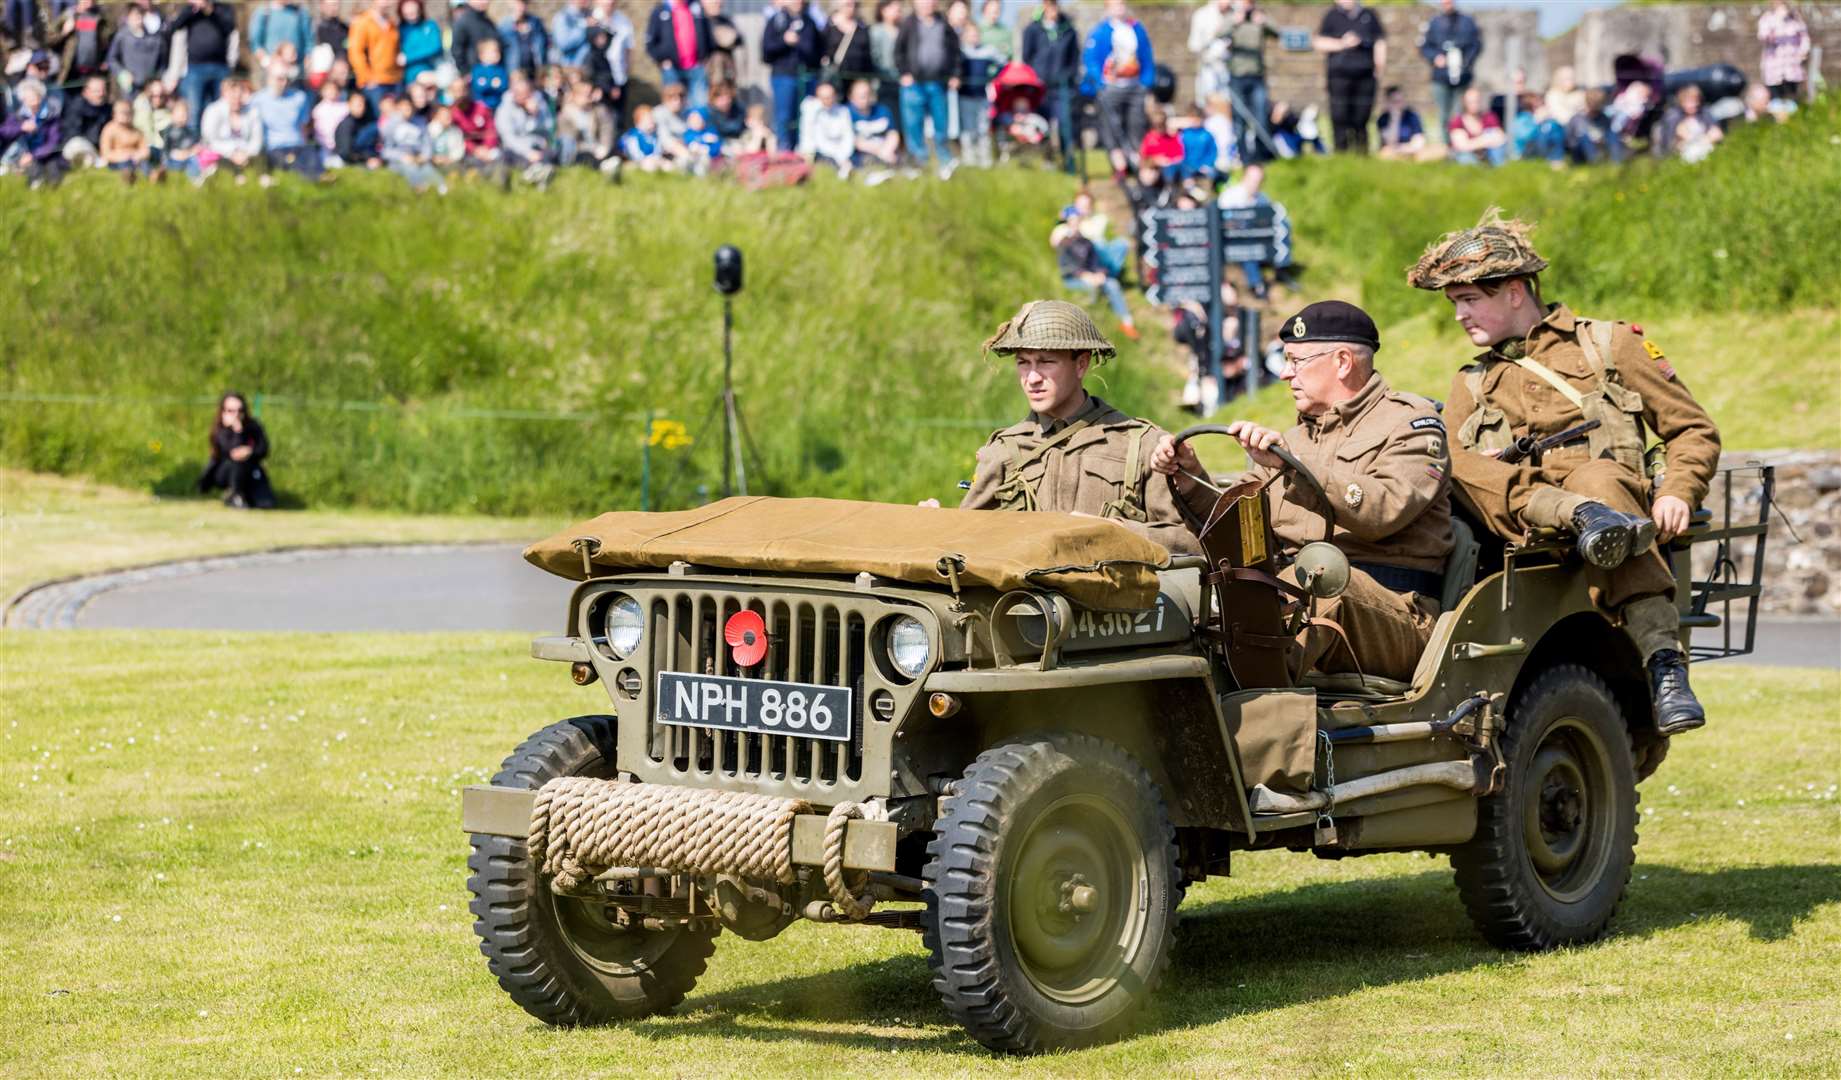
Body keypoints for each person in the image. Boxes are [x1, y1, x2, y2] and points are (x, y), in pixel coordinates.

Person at [1407, 211, 1719, 734]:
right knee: (1443, 454)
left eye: (1469, 300)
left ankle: (1665, 665)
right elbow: (1454, 473)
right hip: (1518, 526)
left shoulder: (1607, 344)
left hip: (1612, 512)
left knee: (1597, 482)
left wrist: (1678, 491)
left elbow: (1692, 428)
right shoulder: (1472, 382)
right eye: (1455, 303)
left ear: (1513, 291)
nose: (1460, 316)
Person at [1153, 301, 1453, 682]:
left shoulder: (1411, 424)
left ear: (1342, 361)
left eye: (1296, 361)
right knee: (1188, 586)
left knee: (1320, 589)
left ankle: (1254, 714)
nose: (1284, 373)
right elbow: (1240, 532)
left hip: (1397, 613)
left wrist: (1294, 465)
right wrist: (1190, 475)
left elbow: (1383, 510)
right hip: (1295, 593)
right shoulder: (1295, 440)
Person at [940, 299, 1198, 556]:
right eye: (1023, 363)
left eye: (1046, 362)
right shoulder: (1003, 452)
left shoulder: (1141, 446)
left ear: (1081, 364)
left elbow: (1195, 543)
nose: (1032, 378)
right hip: (1022, 596)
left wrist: (1119, 531)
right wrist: (934, 523)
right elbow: (965, 545)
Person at [1083, 0, 1153, 179]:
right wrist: (1100, 82)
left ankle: (1137, 163)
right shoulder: (1100, 32)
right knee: (1111, 126)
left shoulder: (1136, 29)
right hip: (1111, 87)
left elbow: (1146, 55)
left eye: (1121, 4)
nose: (1119, 8)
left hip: (1134, 85)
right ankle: (1119, 166)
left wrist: (1146, 82)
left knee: (1136, 125)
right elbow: (1091, 59)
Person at [1312, 0, 1384, 155]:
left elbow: (1380, 41)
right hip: (1339, 77)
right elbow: (1318, 42)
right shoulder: (1331, 16)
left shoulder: (1369, 15)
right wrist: (1343, 43)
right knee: (1339, 116)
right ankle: (1341, 155)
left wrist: (1379, 66)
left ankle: (1362, 155)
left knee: (1362, 117)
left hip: (1365, 77)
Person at [895, 0, 957, 175]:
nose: (927, 3)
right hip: (914, 84)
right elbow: (898, 51)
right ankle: (918, 162)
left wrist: (955, 74)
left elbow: (955, 51)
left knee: (941, 124)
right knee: (913, 124)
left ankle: (945, 162)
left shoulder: (943, 23)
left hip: (938, 83)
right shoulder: (908, 23)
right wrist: (904, 72)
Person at [1020, 0, 1079, 175]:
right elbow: (1027, 57)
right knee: (1040, 127)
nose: (1052, 9)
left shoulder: (1068, 30)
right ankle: (1045, 162)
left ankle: (1068, 163)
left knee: (1064, 125)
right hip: (1039, 89)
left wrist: (1068, 77)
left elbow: (1074, 58)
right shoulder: (1032, 29)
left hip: (1061, 88)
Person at [1054, 222, 1138, 342]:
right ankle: (1091, 323)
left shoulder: (1088, 243)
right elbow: (1068, 267)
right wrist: (1085, 276)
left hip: (1094, 277)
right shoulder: (1064, 245)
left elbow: (1097, 262)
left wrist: (1100, 274)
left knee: (1112, 284)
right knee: (1092, 288)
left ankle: (1127, 323)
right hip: (1074, 280)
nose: (1075, 228)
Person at [170, 0, 239, 135]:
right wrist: (192, 10)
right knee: (194, 111)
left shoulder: (223, 8)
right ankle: (193, 145)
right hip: (195, 68)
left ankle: (219, 146)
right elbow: (175, 26)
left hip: (221, 68)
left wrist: (210, 10)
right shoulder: (190, 10)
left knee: (222, 109)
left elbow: (230, 26)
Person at [197, 393, 276, 509]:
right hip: (223, 472)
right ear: (223, 412)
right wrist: (238, 430)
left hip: (250, 471)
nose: (236, 414)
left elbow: (264, 449)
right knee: (237, 463)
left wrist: (250, 451)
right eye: (231, 411)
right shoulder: (220, 430)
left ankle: (244, 495)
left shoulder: (253, 426)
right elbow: (232, 453)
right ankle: (234, 494)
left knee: (266, 504)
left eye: (240, 410)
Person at [1417, 0, 1477, 143]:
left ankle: (1459, 145)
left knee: (1458, 113)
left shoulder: (1467, 22)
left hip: (1462, 76)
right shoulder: (1434, 22)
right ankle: (1446, 146)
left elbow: (1476, 45)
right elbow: (1425, 46)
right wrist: (1435, 57)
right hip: (1441, 77)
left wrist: (1465, 61)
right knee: (1443, 115)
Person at [764, 0, 821, 153]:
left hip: (807, 77)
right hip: (784, 77)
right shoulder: (776, 21)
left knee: (807, 117)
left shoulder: (810, 23)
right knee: (784, 118)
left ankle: (804, 152)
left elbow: (816, 53)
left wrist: (799, 43)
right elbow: (766, 52)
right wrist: (784, 41)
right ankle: (784, 152)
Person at [252, 59, 319, 177]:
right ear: (269, 78)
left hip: (298, 145)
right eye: (280, 79)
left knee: (312, 157)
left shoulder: (299, 97)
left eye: (287, 79)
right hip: (274, 147)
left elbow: (304, 125)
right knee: (293, 165)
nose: (284, 83)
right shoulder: (257, 100)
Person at [646, 0, 712, 108]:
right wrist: (661, 60)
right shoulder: (660, 11)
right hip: (672, 70)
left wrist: (706, 56)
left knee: (700, 106)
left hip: (696, 68)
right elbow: (650, 42)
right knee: (675, 106)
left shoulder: (696, 8)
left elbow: (708, 34)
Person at [2, 79, 68, 186]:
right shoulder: (17, 116)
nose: (32, 100)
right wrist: (21, 127)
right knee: (34, 174)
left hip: (45, 154)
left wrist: (33, 155)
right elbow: (4, 132)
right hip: (22, 155)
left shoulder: (51, 115)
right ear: (22, 99)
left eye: (34, 96)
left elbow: (54, 140)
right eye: (27, 97)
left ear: (41, 97)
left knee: (54, 174)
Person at [495, 70, 556, 185]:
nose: (525, 97)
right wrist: (527, 152)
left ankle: (538, 172)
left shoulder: (539, 103)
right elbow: (508, 138)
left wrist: (535, 115)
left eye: (527, 93)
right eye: (521, 94)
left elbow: (548, 127)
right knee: (507, 154)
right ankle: (533, 173)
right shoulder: (504, 109)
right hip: (517, 148)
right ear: (514, 94)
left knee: (551, 152)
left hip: (538, 145)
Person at [199, 75, 262, 181]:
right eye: (233, 96)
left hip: (245, 153)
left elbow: (257, 141)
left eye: (239, 96)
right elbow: (209, 140)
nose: (236, 100)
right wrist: (232, 152)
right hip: (220, 154)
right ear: (223, 94)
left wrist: (245, 153)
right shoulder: (213, 111)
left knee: (261, 159)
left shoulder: (252, 112)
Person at [957, 21, 999, 168]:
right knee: (968, 129)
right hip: (965, 96)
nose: (973, 37)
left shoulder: (988, 51)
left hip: (982, 96)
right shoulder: (961, 52)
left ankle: (985, 161)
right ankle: (969, 160)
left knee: (983, 128)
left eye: (975, 34)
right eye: (970, 34)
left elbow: (1001, 64)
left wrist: (992, 76)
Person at [347, 0, 401, 113]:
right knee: (380, 122)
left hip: (394, 80)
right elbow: (356, 52)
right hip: (375, 82)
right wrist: (367, 77)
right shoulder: (363, 22)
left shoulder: (391, 23)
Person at [106, 2, 167, 98]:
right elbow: (111, 59)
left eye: (139, 15)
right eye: (133, 16)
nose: (137, 19)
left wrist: (158, 79)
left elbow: (162, 62)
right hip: (129, 89)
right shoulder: (122, 36)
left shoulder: (155, 38)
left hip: (150, 88)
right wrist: (122, 73)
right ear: (127, 18)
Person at [1756, 2, 1810, 105]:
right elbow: (1763, 37)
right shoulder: (1767, 18)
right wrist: (1778, 19)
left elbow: (1804, 37)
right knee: (1775, 98)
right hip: (1774, 68)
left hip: (1792, 66)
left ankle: (1793, 118)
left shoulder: (1796, 18)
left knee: (1792, 97)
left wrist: (1803, 52)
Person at [52, 0, 112, 87]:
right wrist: (64, 32)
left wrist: (105, 60)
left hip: (93, 72)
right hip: (70, 72)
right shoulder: (68, 15)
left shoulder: (100, 17)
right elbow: (49, 39)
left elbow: (109, 41)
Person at [798, 78, 853, 174]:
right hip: (821, 153)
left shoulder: (843, 111)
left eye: (830, 97)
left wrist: (844, 155)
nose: (827, 100)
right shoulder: (811, 111)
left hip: (841, 153)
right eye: (823, 97)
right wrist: (839, 157)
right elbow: (818, 142)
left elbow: (848, 136)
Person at [1658, 84, 1722, 164]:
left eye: (1696, 101)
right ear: (1682, 101)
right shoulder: (1674, 116)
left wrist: (1703, 140)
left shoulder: (1704, 112)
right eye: (1690, 101)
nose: (1694, 104)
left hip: (1705, 147)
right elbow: (1671, 143)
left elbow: (1717, 133)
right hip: (1683, 154)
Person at [250, 0, 313, 80]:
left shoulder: (300, 13)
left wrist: (302, 67)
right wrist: (268, 63)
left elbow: (309, 43)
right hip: (270, 73)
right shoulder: (264, 12)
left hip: (296, 73)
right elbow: (256, 44)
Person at [846, 76, 898, 169]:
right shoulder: (846, 113)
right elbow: (854, 141)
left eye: (866, 95)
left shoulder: (883, 110)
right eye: (860, 96)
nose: (864, 99)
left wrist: (887, 151)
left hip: (887, 152)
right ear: (851, 97)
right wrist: (880, 152)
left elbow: (893, 134)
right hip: (862, 157)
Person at [822, 0, 875, 90]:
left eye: (855, 4)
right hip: (836, 77)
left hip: (857, 79)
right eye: (848, 4)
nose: (852, 7)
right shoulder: (830, 26)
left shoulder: (862, 27)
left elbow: (867, 54)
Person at [1447, 85, 1504, 166]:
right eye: (1471, 102)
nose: (1474, 104)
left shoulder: (1489, 117)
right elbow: (1462, 146)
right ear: (1464, 102)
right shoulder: (1457, 121)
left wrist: (1473, 143)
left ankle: (1499, 170)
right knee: (1465, 157)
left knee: (1498, 150)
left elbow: (1500, 138)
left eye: (1477, 101)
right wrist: (1485, 139)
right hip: (1466, 155)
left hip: (1486, 153)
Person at [99, 97, 152, 178]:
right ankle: (128, 176)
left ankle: (152, 176)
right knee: (124, 164)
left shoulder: (136, 131)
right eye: (122, 113)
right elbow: (105, 152)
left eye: (129, 113)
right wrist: (120, 156)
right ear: (114, 114)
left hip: (134, 158)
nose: (126, 116)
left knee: (145, 164)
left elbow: (145, 149)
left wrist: (139, 155)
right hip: (118, 159)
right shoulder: (109, 129)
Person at [395, 0, 443, 87]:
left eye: (413, 8)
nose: (411, 12)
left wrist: (408, 57)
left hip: (431, 69)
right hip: (410, 75)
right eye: (407, 10)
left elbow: (435, 47)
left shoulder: (430, 25)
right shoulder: (400, 29)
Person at [500, 0, 550, 79]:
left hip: (535, 70)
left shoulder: (536, 22)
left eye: (524, 3)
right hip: (514, 71)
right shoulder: (504, 25)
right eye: (518, 3)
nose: (521, 7)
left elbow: (545, 45)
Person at [1374, 84, 1426, 160]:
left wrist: (1404, 149)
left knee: (1438, 150)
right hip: (1392, 151)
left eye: (1401, 100)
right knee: (1385, 153)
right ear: (1388, 102)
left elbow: (1419, 140)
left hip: (1410, 150)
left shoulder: (1412, 116)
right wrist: (1395, 118)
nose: (1399, 104)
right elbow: (1390, 142)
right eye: (1395, 102)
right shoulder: (1383, 119)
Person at [333, 89, 381, 168]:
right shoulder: (346, 125)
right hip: (349, 162)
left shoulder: (365, 122)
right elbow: (345, 153)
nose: (361, 107)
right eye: (358, 104)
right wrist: (367, 160)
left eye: (363, 104)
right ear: (349, 105)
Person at [450, 0, 497, 71]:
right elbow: (457, 51)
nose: (485, 1)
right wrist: (466, 73)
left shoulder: (489, 22)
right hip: (473, 76)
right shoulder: (462, 22)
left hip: (493, 73)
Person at [471, 36, 510, 110]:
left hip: (498, 105)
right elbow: (478, 87)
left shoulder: (500, 69)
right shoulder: (477, 70)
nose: (496, 54)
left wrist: (488, 84)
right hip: (481, 106)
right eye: (493, 52)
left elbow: (504, 86)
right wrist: (492, 84)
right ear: (481, 55)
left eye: (497, 51)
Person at [553, 0, 593, 68]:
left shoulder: (590, 14)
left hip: (589, 69)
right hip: (571, 70)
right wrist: (584, 26)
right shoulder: (562, 17)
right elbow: (563, 43)